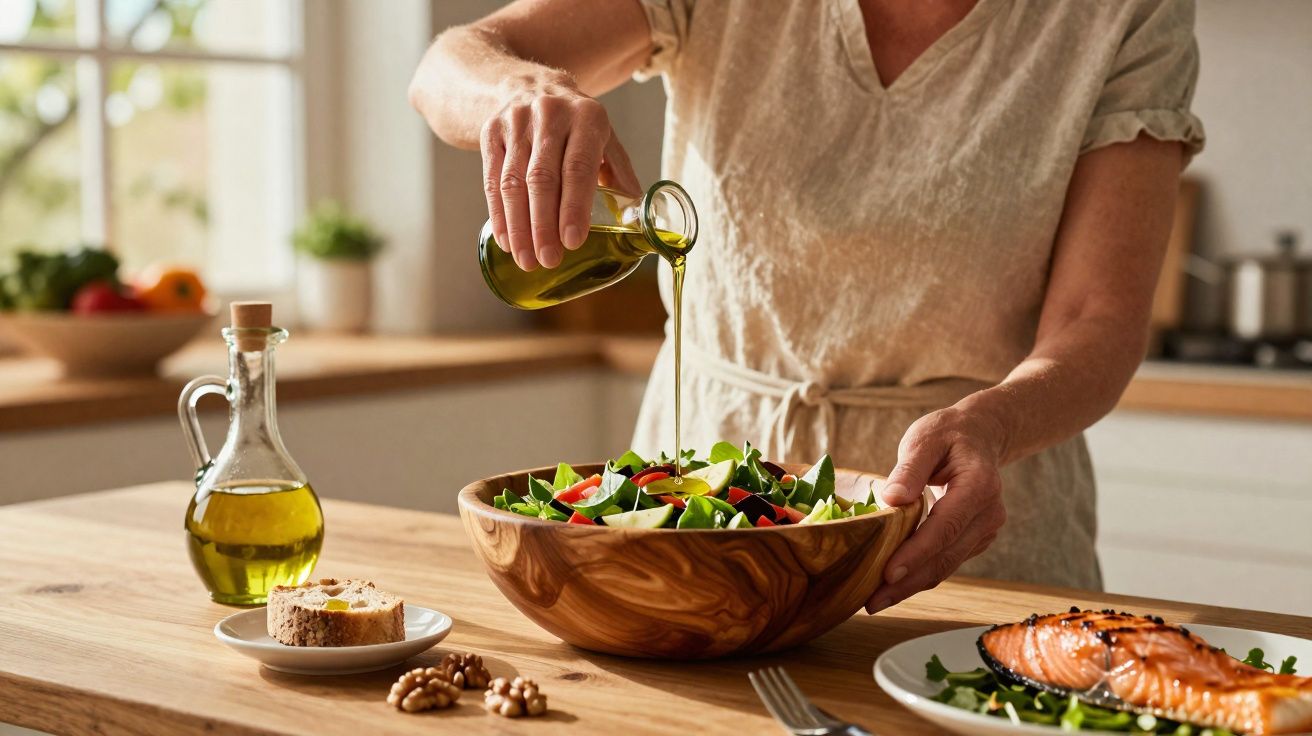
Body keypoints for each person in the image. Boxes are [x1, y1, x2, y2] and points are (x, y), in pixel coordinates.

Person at [409, 0, 1205, 612]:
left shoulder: (1121, 15)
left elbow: (1098, 320)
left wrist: (993, 425)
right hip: (701, 516)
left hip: (959, 523)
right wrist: (518, 89)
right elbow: (447, 68)